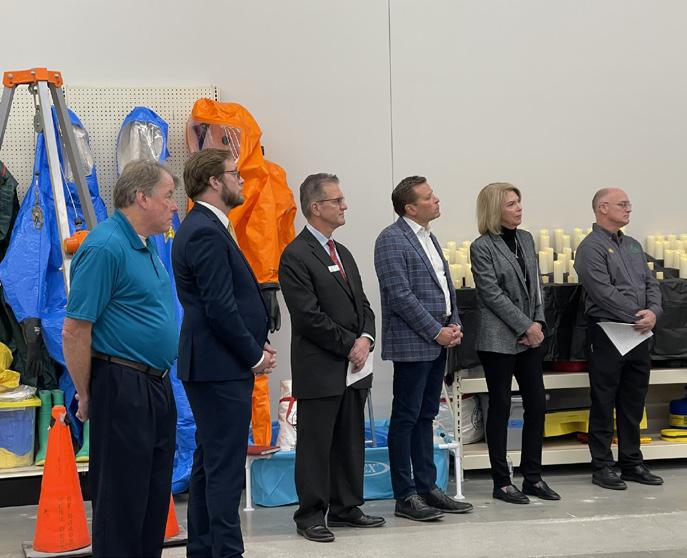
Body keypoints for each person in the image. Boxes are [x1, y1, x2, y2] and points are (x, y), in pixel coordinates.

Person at [62, 160, 180, 558]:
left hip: (156, 383)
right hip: (122, 385)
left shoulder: (147, 245)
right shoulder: (105, 247)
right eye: (167, 196)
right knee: (122, 504)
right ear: (141, 197)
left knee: (152, 499)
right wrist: (86, 393)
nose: (174, 205)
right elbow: (75, 330)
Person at [172, 149, 275, 557]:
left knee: (209, 463)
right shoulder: (204, 231)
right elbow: (219, 306)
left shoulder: (212, 226)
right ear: (215, 181)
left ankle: (204, 548)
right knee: (225, 468)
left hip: (219, 363)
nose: (242, 180)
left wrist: (253, 340)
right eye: (235, 174)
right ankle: (227, 551)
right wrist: (253, 355)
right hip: (218, 367)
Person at [279, 173, 385, 543]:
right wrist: (349, 345)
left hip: (353, 368)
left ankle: (345, 506)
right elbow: (308, 317)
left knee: (350, 440)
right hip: (321, 368)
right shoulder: (295, 255)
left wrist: (366, 338)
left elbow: (364, 306)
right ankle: (310, 515)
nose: (344, 206)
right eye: (337, 200)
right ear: (315, 207)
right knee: (316, 445)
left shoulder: (344, 253)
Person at [374, 175, 473, 521]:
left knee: (426, 416)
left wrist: (454, 322)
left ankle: (428, 487)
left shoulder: (429, 237)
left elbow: (445, 286)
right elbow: (399, 295)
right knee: (405, 418)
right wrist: (436, 332)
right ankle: (405, 495)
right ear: (410, 208)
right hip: (413, 343)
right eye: (428, 197)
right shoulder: (391, 239)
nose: (436, 200)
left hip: (437, 340)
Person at [470, 182, 560, 504]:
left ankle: (532, 477)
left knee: (537, 403)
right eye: (511, 204)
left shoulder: (526, 238)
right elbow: (491, 294)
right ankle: (502, 482)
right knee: (501, 406)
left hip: (530, 337)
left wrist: (538, 324)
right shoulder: (482, 247)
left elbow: (536, 287)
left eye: (519, 202)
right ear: (495, 209)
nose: (519, 208)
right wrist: (525, 325)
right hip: (498, 339)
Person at [575, 188, 663, 490]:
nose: (628, 209)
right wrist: (638, 315)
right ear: (603, 208)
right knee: (604, 400)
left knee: (633, 400)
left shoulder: (633, 245)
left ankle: (632, 462)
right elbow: (602, 292)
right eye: (622, 204)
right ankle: (602, 466)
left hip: (638, 333)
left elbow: (651, 283)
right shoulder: (590, 248)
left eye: (629, 204)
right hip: (609, 332)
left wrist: (654, 312)